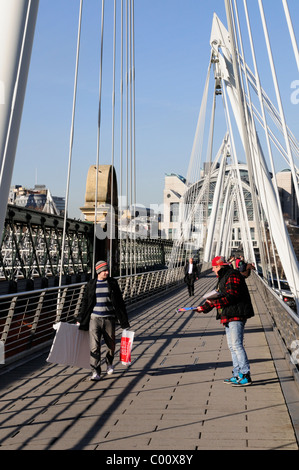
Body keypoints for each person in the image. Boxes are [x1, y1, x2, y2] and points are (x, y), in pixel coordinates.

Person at [197, 256, 254, 386]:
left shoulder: (232, 275)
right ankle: (237, 374)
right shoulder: (223, 277)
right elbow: (218, 295)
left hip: (236, 314)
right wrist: (203, 308)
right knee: (232, 346)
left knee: (237, 345)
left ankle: (245, 375)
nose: (212, 269)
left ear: (219, 266)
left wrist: (214, 303)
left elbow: (232, 295)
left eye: (214, 267)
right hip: (229, 315)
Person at [76, 260, 130, 381]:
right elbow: (85, 303)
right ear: (98, 271)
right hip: (94, 319)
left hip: (109, 319)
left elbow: (120, 302)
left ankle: (109, 362)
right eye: (104, 270)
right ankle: (95, 371)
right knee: (94, 346)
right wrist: (81, 318)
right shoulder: (91, 284)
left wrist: (124, 322)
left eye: (107, 270)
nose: (107, 272)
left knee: (111, 345)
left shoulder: (112, 283)